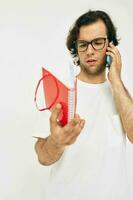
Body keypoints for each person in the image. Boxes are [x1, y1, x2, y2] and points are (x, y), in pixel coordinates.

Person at [34, 10, 133, 200]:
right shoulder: (57, 90)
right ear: (76, 48)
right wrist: (57, 142)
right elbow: (43, 158)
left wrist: (116, 81)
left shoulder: (122, 94)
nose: (89, 51)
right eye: (83, 44)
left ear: (110, 46)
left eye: (97, 42)